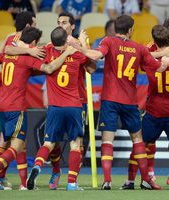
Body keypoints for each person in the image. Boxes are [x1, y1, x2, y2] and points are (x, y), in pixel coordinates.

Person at [68, 14, 169, 190]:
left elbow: (96, 55)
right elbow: (159, 67)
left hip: (110, 99)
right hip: (130, 101)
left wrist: (78, 45)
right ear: (130, 30)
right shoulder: (139, 48)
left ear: (115, 28)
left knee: (108, 141)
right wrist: (164, 60)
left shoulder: (108, 41)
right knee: (138, 141)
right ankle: (145, 179)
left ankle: (107, 180)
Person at [0, 26, 76, 191]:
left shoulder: (8, 55)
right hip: (16, 106)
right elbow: (48, 68)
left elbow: (3, 55)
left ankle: (19, 184)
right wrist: (66, 54)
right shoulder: (27, 59)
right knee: (16, 146)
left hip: (2, 104)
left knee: (16, 145)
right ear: (33, 42)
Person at [0, 11, 45, 191]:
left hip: (4, 96)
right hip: (9, 96)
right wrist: (30, 51)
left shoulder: (15, 41)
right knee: (9, 142)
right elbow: (5, 52)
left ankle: (21, 184)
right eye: (34, 23)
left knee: (14, 142)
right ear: (28, 26)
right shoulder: (14, 39)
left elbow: (0, 57)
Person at [26, 26, 95, 191]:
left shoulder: (47, 50)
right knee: (75, 144)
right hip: (73, 106)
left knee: (48, 142)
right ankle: (71, 183)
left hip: (55, 106)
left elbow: (36, 61)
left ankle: (36, 166)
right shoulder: (75, 53)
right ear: (66, 40)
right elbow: (92, 69)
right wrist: (83, 43)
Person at [121, 24, 169, 190]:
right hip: (161, 109)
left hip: (154, 109)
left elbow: (140, 61)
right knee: (142, 144)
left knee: (140, 145)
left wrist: (154, 55)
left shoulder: (146, 49)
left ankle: (130, 180)